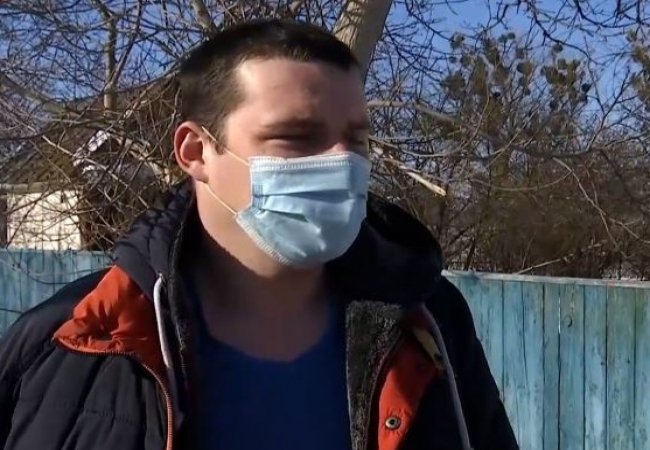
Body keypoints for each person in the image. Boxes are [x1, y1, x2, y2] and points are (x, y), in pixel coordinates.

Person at [0, 19, 518, 450]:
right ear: (196, 152)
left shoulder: (429, 323)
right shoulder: (75, 339)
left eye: (356, 140)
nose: (342, 162)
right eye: (296, 136)